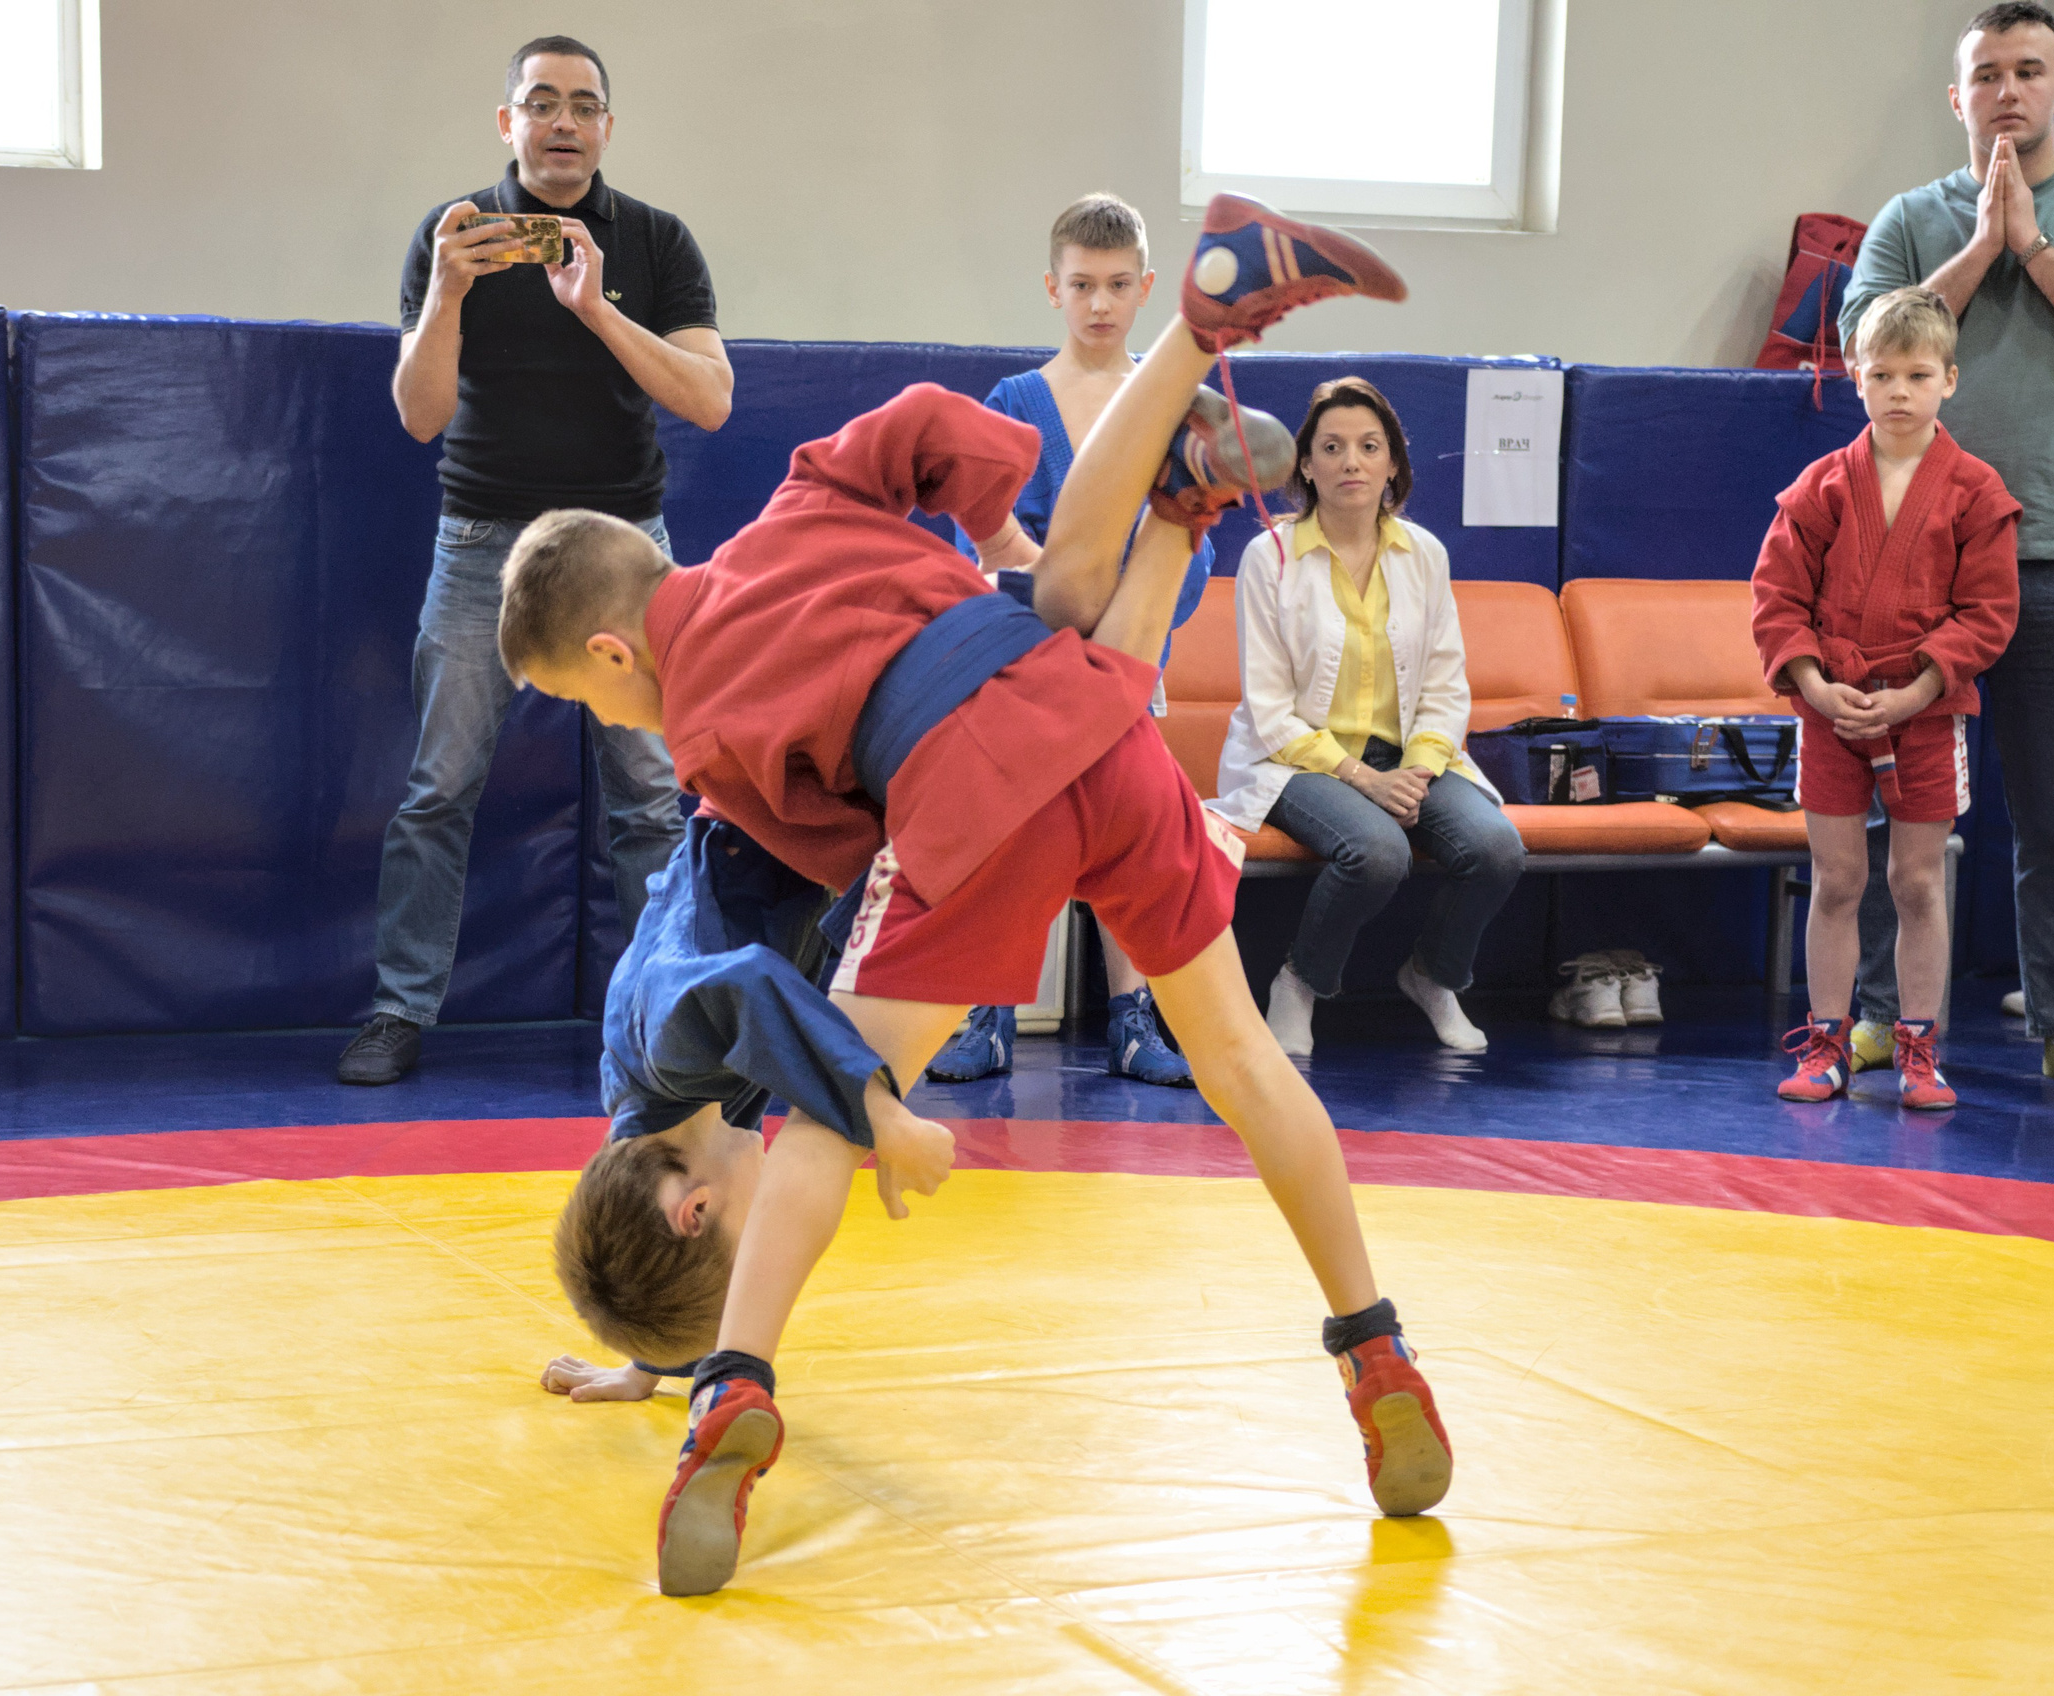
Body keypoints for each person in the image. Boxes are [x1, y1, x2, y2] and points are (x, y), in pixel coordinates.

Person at [498, 196, 1448, 1598]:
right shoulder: (802, 494)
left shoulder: (699, 737)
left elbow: (846, 854)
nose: (621, 726)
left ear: (609, 652)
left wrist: (883, 1094)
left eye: (594, 702)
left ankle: (733, 1393)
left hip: (962, 778)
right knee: (1241, 1056)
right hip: (1087, 732)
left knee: (829, 1098)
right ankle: (1376, 1350)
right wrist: (992, 527)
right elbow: (933, 421)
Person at [338, 35, 733, 1087]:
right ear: (507, 123)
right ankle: (398, 1007)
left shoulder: (654, 241)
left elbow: (710, 399)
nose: (563, 122)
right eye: (541, 102)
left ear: (607, 126)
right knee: (437, 786)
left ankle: (672, 1013)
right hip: (481, 544)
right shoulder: (454, 232)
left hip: (624, 554)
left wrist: (595, 306)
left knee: (652, 794)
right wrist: (450, 295)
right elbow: (418, 418)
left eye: (584, 105)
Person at [1837, 0, 2054, 1097]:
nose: (2007, 90)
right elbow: (1862, 345)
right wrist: (1980, 245)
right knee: (1911, 807)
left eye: (2028, 70)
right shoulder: (1908, 216)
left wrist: (2030, 246)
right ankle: (1888, 1017)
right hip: (1916, 559)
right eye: (1986, 72)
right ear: (1958, 95)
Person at [930, 192, 1215, 1089]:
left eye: (1118, 285)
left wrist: (1128, 598)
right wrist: (1058, 581)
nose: (1100, 303)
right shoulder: (1014, 404)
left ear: (1146, 291)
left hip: (1133, 662)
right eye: (1083, 284)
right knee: (1010, 830)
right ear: (1052, 288)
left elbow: (1193, 553)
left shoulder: (1175, 405)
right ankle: (989, 1010)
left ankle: (1133, 1020)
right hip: (1027, 659)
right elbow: (974, 540)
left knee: (1131, 830)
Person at [540, 807, 955, 1396]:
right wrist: (648, 1359)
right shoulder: (674, 1129)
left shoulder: (668, 1049)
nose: (771, 1226)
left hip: (783, 788)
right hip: (803, 822)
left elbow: (751, 987)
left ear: (698, 1210)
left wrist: (885, 1121)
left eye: (755, 1237)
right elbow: (650, 1239)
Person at [1751, 288, 2020, 1110]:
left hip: (1927, 714)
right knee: (1836, 880)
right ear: (1855, 380)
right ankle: (1827, 1041)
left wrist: (1912, 694)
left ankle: (1920, 1047)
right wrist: (1815, 685)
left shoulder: (1975, 489)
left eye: (1917, 374)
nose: (1899, 390)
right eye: (1881, 374)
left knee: (1917, 883)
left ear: (1949, 380)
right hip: (1830, 708)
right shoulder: (1822, 485)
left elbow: (1989, 614)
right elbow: (1776, 599)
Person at [1208, 378, 1524, 1058]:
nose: (1351, 461)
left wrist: (1417, 768)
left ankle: (1433, 976)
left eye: (1368, 447)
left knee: (1496, 848)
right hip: (1295, 759)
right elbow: (1268, 708)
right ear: (1305, 465)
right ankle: (1298, 984)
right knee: (1376, 853)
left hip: (1406, 760)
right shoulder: (1271, 557)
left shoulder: (1424, 554)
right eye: (1333, 447)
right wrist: (1361, 779)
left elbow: (1445, 682)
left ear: (1391, 466)